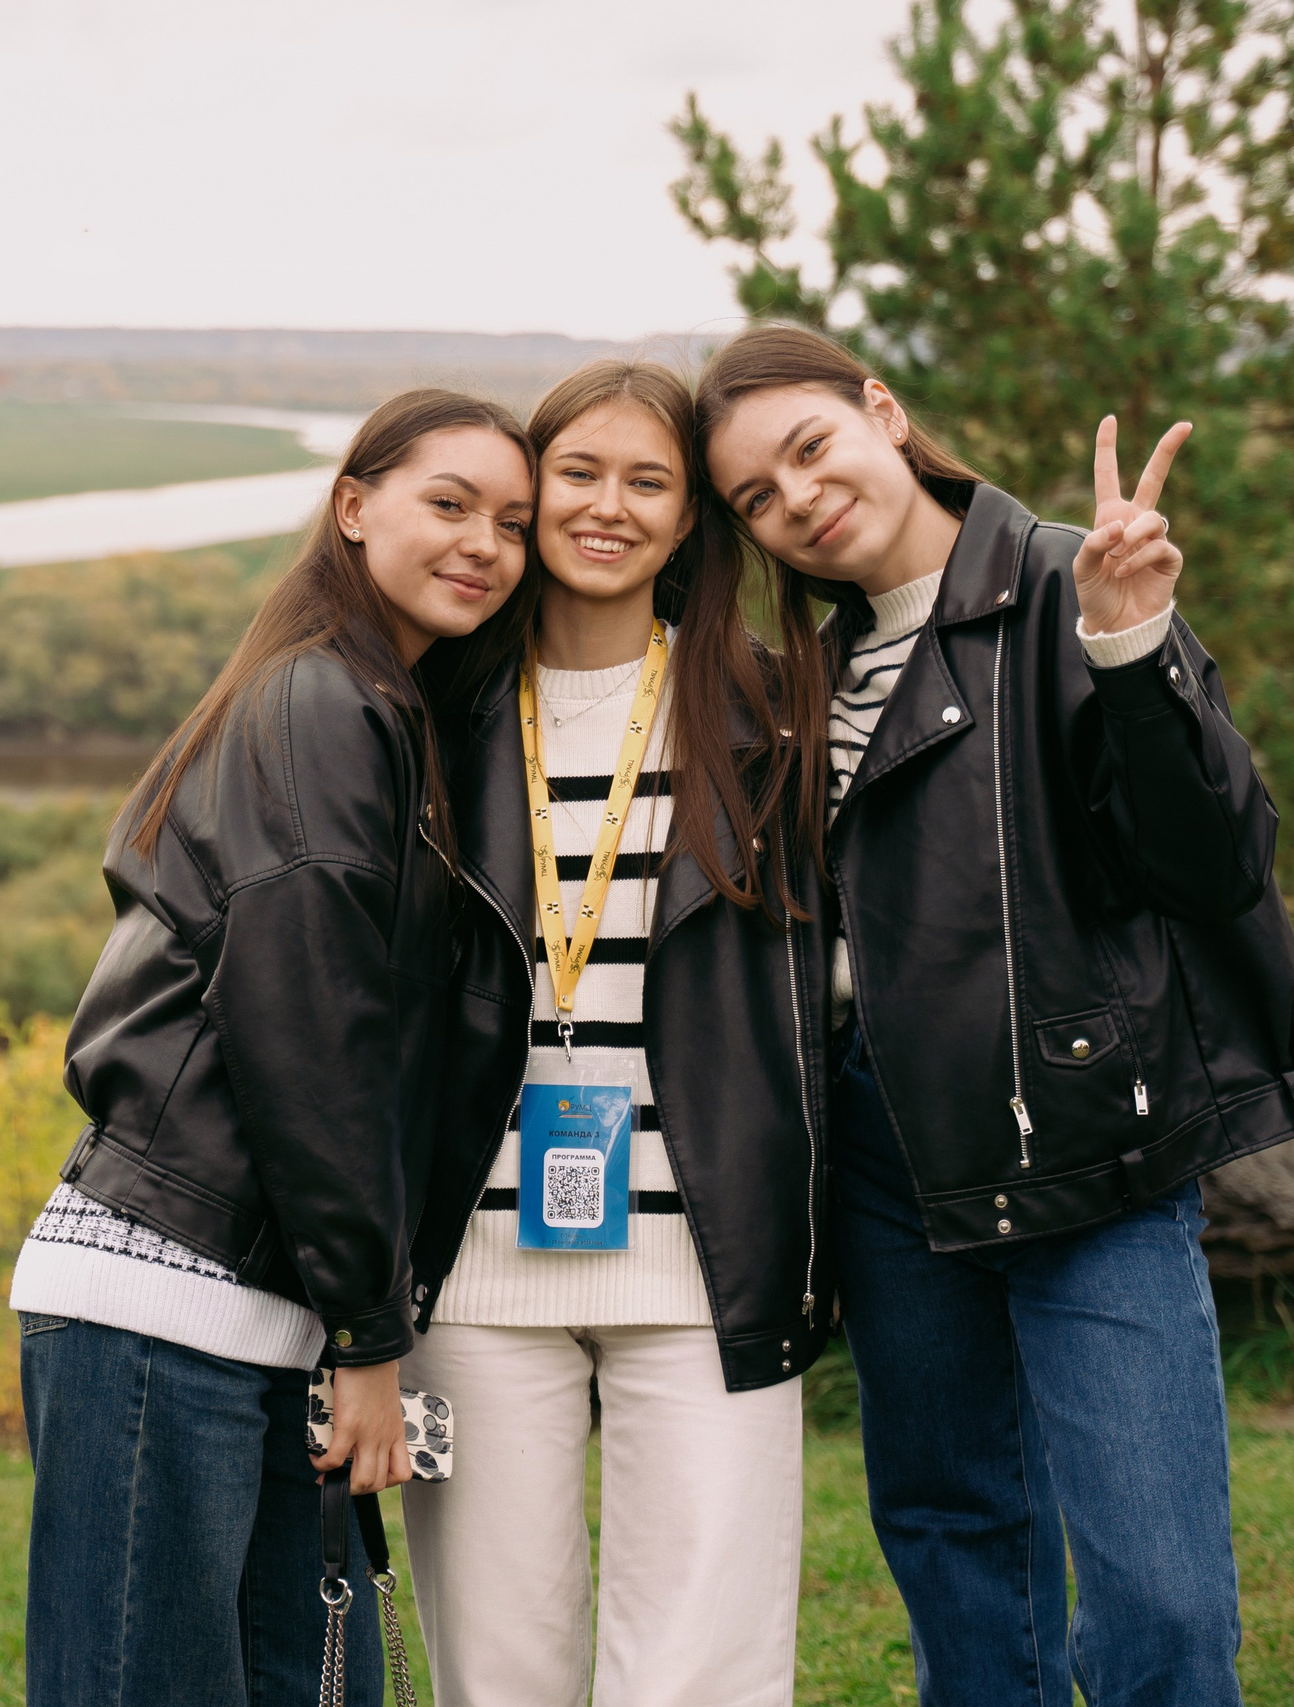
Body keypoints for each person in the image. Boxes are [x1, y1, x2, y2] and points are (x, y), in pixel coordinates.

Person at [696, 323, 1294, 1707]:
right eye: (755, 497)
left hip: (1083, 1140)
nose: (796, 498)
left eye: (808, 448)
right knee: (959, 1559)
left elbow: (1213, 864)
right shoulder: (801, 677)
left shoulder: (1064, 586)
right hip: (885, 1159)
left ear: (882, 406)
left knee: (1162, 1598)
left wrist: (1133, 646)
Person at [10, 389, 537, 1707]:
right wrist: (369, 1338)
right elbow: (310, 1031)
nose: (486, 543)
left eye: (514, 523)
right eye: (450, 503)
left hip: (259, 1311)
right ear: (353, 507)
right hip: (163, 1301)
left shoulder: (389, 714)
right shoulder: (319, 707)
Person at [398, 359, 829, 1707]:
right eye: (577, 474)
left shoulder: (773, 714)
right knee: (497, 1672)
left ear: (693, 515)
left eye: (650, 481)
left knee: (704, 1670)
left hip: (711, 1262)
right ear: (532, 496)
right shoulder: (432, 711)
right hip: (472, 1269)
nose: (608, 506)